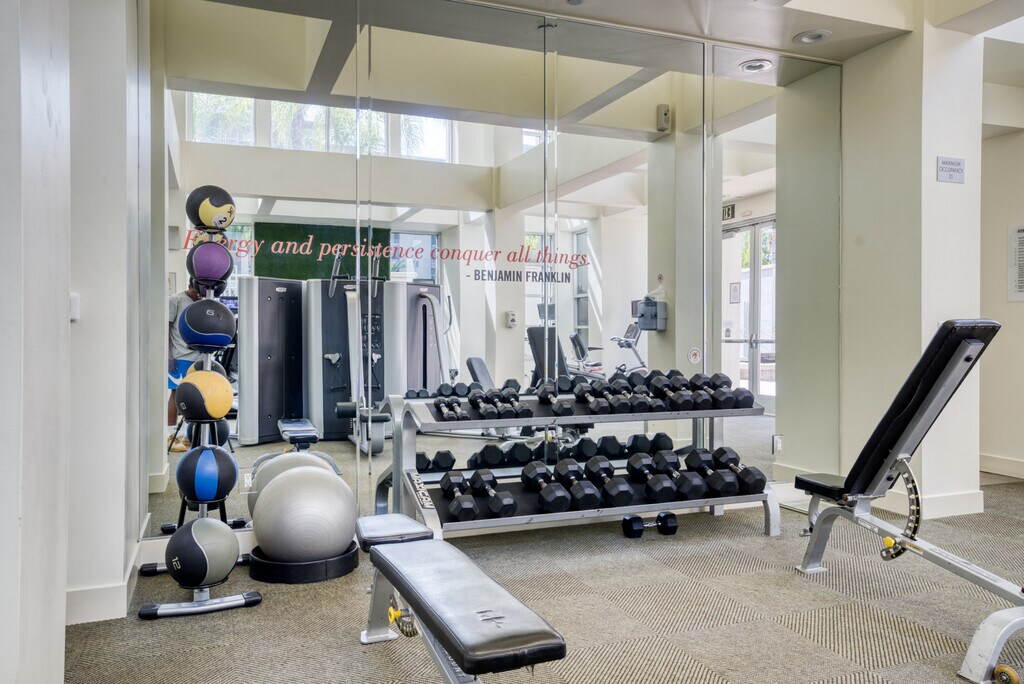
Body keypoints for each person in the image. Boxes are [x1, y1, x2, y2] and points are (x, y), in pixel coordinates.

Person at [167, 284, 202, 452]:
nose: (198, 296)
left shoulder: (201, 302)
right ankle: (170, 436)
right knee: (176, 394)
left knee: (195, 395)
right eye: (195, 292)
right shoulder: (176, 300)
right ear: (189, 286)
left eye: (200, 294)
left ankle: (188, 434)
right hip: (179, 357)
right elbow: (166, 328)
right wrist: (169, 355)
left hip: (198, 356)